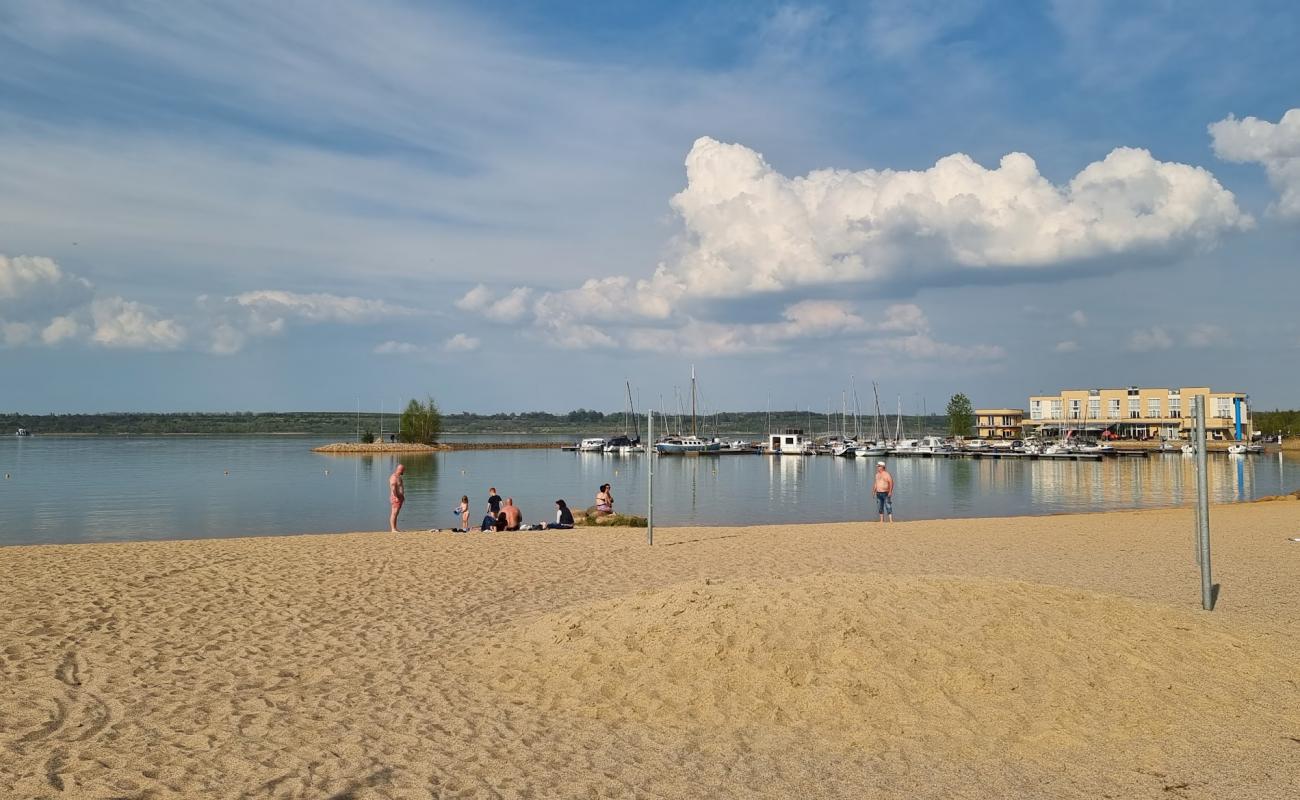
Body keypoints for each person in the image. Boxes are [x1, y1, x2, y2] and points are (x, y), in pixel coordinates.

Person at [388, 464, 406, 532]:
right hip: (396, 498)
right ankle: (393, 529)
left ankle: (395, 528)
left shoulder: (398, 477)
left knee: (396, 513)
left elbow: (400, 487)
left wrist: (402, 496)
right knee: (394, 513)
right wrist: (396, 497)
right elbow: (393, 487)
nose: (404, 471)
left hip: (399, 497)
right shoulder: (394, 477)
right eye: (403, 470)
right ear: (400, 470)